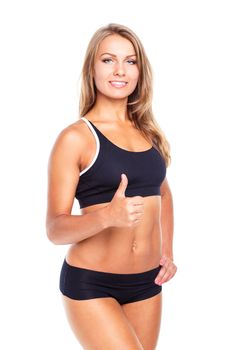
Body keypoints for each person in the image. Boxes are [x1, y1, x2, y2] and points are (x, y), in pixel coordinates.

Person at [46, 22, 177, 350]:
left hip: (146, 284)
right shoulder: (75, 138)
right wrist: (107, 217)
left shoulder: (148, 132)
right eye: (108, 60)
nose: (120, 70)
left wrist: (166, 251)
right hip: (92, 284)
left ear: (139, 71)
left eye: (130, 61)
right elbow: (55, 229)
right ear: (91, 68)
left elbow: (162, 191)